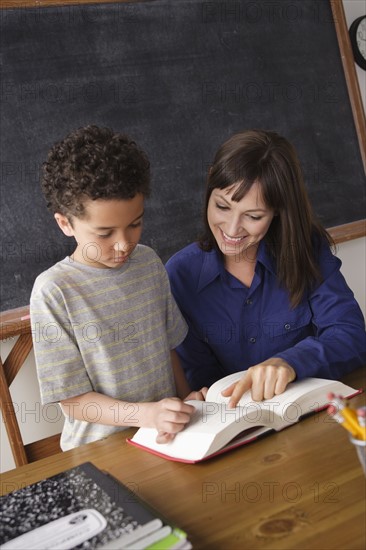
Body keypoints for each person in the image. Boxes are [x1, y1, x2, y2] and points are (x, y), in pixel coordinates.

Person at [30, 125, 204, 451]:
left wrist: (185, 401)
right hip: (100, 451)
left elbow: (168, 349)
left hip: (166, 439)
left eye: (135, 224)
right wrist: (146, 415)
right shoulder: (55, 291)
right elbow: (73, 401)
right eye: (105, 233)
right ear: (65, 223)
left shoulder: (149, 263)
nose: (124, 244)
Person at [166, 129, 366, 407]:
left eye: (253, 216)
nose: (232, 229)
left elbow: (350, 334)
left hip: (313, 413)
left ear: (278, 209)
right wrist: (199, 395)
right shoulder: (180, 275)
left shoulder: (306, 249)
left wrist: (289, 362)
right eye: (222, 207)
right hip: (235, 423)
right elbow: (199, 377)